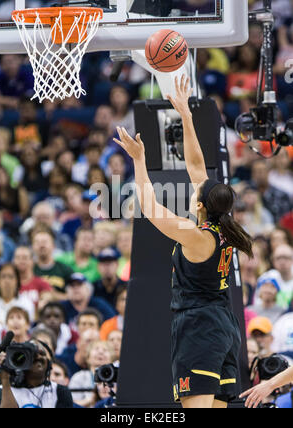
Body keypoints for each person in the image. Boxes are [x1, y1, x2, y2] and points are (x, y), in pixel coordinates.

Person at [114, 75, 253, 409]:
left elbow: (149, 206)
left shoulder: (195, 235)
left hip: (200, 328)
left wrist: (138, 160)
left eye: (195, 192)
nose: (193, 190)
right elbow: (195, 165)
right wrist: (185, 116)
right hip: (224, 325)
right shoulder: (225, 226)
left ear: (201, 205)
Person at [0, 339, 73, 408]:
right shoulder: (5, 389)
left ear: (49, 364)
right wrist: (5, 380)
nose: (38, 357)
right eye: (33, 354)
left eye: (42, 353)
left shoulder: (59, 391)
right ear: (21, 362)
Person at [69, 340, 114, 408]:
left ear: (112, 358)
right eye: (96, 349)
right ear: (88, 357)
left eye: (105, 350)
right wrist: (91, 400)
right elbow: (70, 403)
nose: (100, 352)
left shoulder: (116, 378)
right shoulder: (79, 377)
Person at [31, 227, 73, 300]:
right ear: (32, 247)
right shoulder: (29, 270)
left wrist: (53, 295)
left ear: (54, 246)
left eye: (45, 242)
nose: (41, 246)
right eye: (37, 242)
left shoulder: (65, 270)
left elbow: (74, 297)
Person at [13, 246, 53, 313]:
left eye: (24, 258)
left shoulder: (41, 283)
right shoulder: (9, 283)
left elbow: (48, 296)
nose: (21, 261)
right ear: (14, 261)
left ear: (32, 261)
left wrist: (44, 300)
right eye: (18, 258)